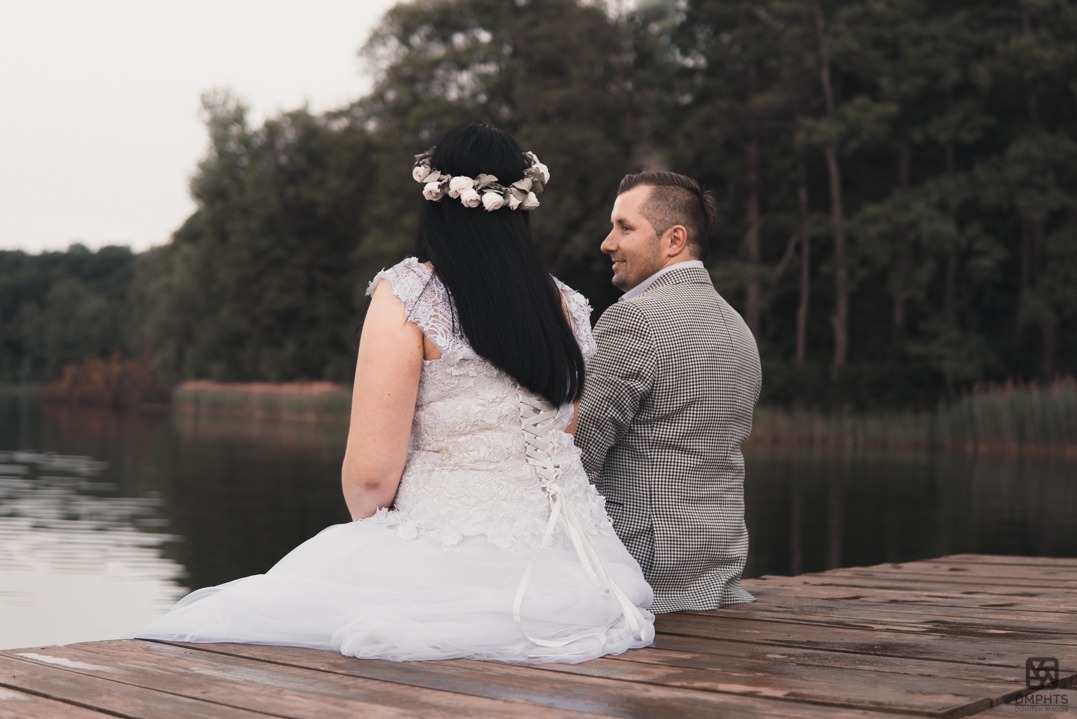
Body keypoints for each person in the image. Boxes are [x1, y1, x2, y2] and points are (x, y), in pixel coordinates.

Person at [133, 123, 654, 663]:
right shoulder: (567, 306)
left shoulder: (412, 293)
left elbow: (371, 478)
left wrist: (375, 556)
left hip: (447, 555)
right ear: (522, 207)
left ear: (435, 200)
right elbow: (562, 436)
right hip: (583, 577)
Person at [574, 170, 762, 614]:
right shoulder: (738, 327)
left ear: (674, 239)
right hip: (719, 571)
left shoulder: (633, 320)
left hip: (642, 573)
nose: (607, 242)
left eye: (625, 227)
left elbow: (577, 458)